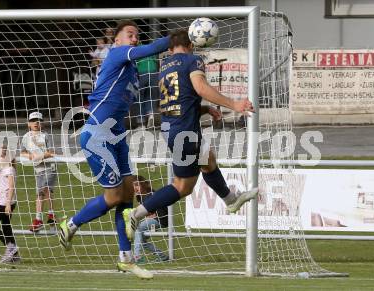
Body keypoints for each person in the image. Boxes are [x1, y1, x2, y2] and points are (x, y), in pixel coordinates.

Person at [58, 20, 170, 279]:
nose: (134, 39)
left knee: (128, 197)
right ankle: (71, 224)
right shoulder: (117, 53)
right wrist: (176, 38)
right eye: (129, 35)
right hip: (97, 134)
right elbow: (151, 49)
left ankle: (126, 259)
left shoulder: (133, 72)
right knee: (113, 198)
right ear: (117, 40)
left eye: (136, 35)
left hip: (117, 134)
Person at [123, 29, 258, 241]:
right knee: (182, 186)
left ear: (169, 49)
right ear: (192, 45)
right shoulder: (192, 60)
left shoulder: (164, 67)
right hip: (184, 132)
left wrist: (204, 110)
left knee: (207, 160)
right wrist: (235, 104)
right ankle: (137, 214)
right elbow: (200, 87)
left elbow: (179, 99)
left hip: (175, 128)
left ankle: (230, 199)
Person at [20, 111, 57, 232]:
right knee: (39, 193)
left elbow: (50, 152)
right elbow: (22, 152)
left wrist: (39, 156)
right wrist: (30, 156)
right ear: (28, 123)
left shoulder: (44, 135)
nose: (36, 122)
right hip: (38, 169)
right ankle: (40, 219)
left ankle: (50, 215)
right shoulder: (26, 137)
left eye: (38, 120)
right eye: (33, 120)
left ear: (42, 123)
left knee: (46, 190)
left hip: (49, 167)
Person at [0, 145, 20, 263]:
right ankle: (15, 256)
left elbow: (11, 187)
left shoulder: (10, 170)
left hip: (6, 204)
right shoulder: (2, 169)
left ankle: (10, 246)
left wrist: (7, 204)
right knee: (6, 227)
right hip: (2, 203)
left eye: (2, 154)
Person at [132, 176, 169, 264]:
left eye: (137, 185)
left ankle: (137, 256)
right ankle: (162, 256)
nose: (135, 188)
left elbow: (149, 211)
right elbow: (147, 212)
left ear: (143, 185)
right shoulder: (139, 196)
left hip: (160, 220)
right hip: (151, 219)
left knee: (138, 229)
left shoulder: (152, 194)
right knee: (142, 240)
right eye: (133, 186)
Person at [134, 53, 160, 128]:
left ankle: (141, 122)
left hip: (141, 72)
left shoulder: (137, 47)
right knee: (151, 96)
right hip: (153, 72)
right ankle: (151, 114)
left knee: (139, 98)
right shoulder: (153, 46)